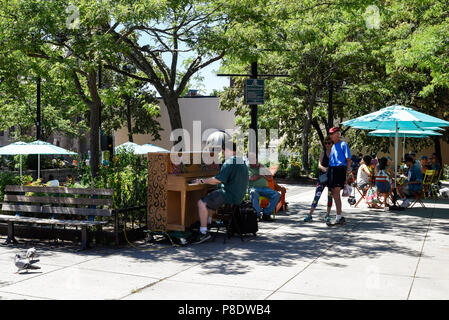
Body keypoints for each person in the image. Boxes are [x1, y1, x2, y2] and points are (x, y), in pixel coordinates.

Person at [191, 141, 248, 244]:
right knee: (210, 197)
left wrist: (201, 180)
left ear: (228, 150)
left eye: (223, 151)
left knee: (201, 203)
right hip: (238, 195)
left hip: (229, 195)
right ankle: (208, 224)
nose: (223, 153)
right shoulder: (241, 161)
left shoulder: (229, 162)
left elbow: (217, 180)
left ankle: (203, 233)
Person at [304, 136, 333, 223]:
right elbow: (319, 165)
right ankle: (310, 214)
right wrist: (324, 169)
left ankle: (327, 215)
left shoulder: (335, 154)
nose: (327, 145)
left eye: (329, 143)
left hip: (331, 178)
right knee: (317, 195)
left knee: (330, 197)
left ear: (332, 144)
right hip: (322, 178)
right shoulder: (322, 153)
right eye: (326, 143)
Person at [327, 127, 351, 225]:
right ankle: (339, 216)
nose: (331, 136)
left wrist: (346, 174)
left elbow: (348, 160)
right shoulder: (333, 146)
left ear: (338, 134)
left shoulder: (343, 144)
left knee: (336, 193)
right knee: (333, 194)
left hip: (340, 169)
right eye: (330, 134)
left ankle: (338, 217)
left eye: (333, 134)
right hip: (332, 170)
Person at [247, 152, 280, 222]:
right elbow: (252, 178)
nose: (254, 161)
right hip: (254, 188)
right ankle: (257, 214)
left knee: (276, 195)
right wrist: (262, 175)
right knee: (253, 192)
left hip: (265, 189)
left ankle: (266, 214)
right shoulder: (247, 168)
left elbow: (270, 176)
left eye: (255, 159)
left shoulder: (261, 166)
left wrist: (261, 167)